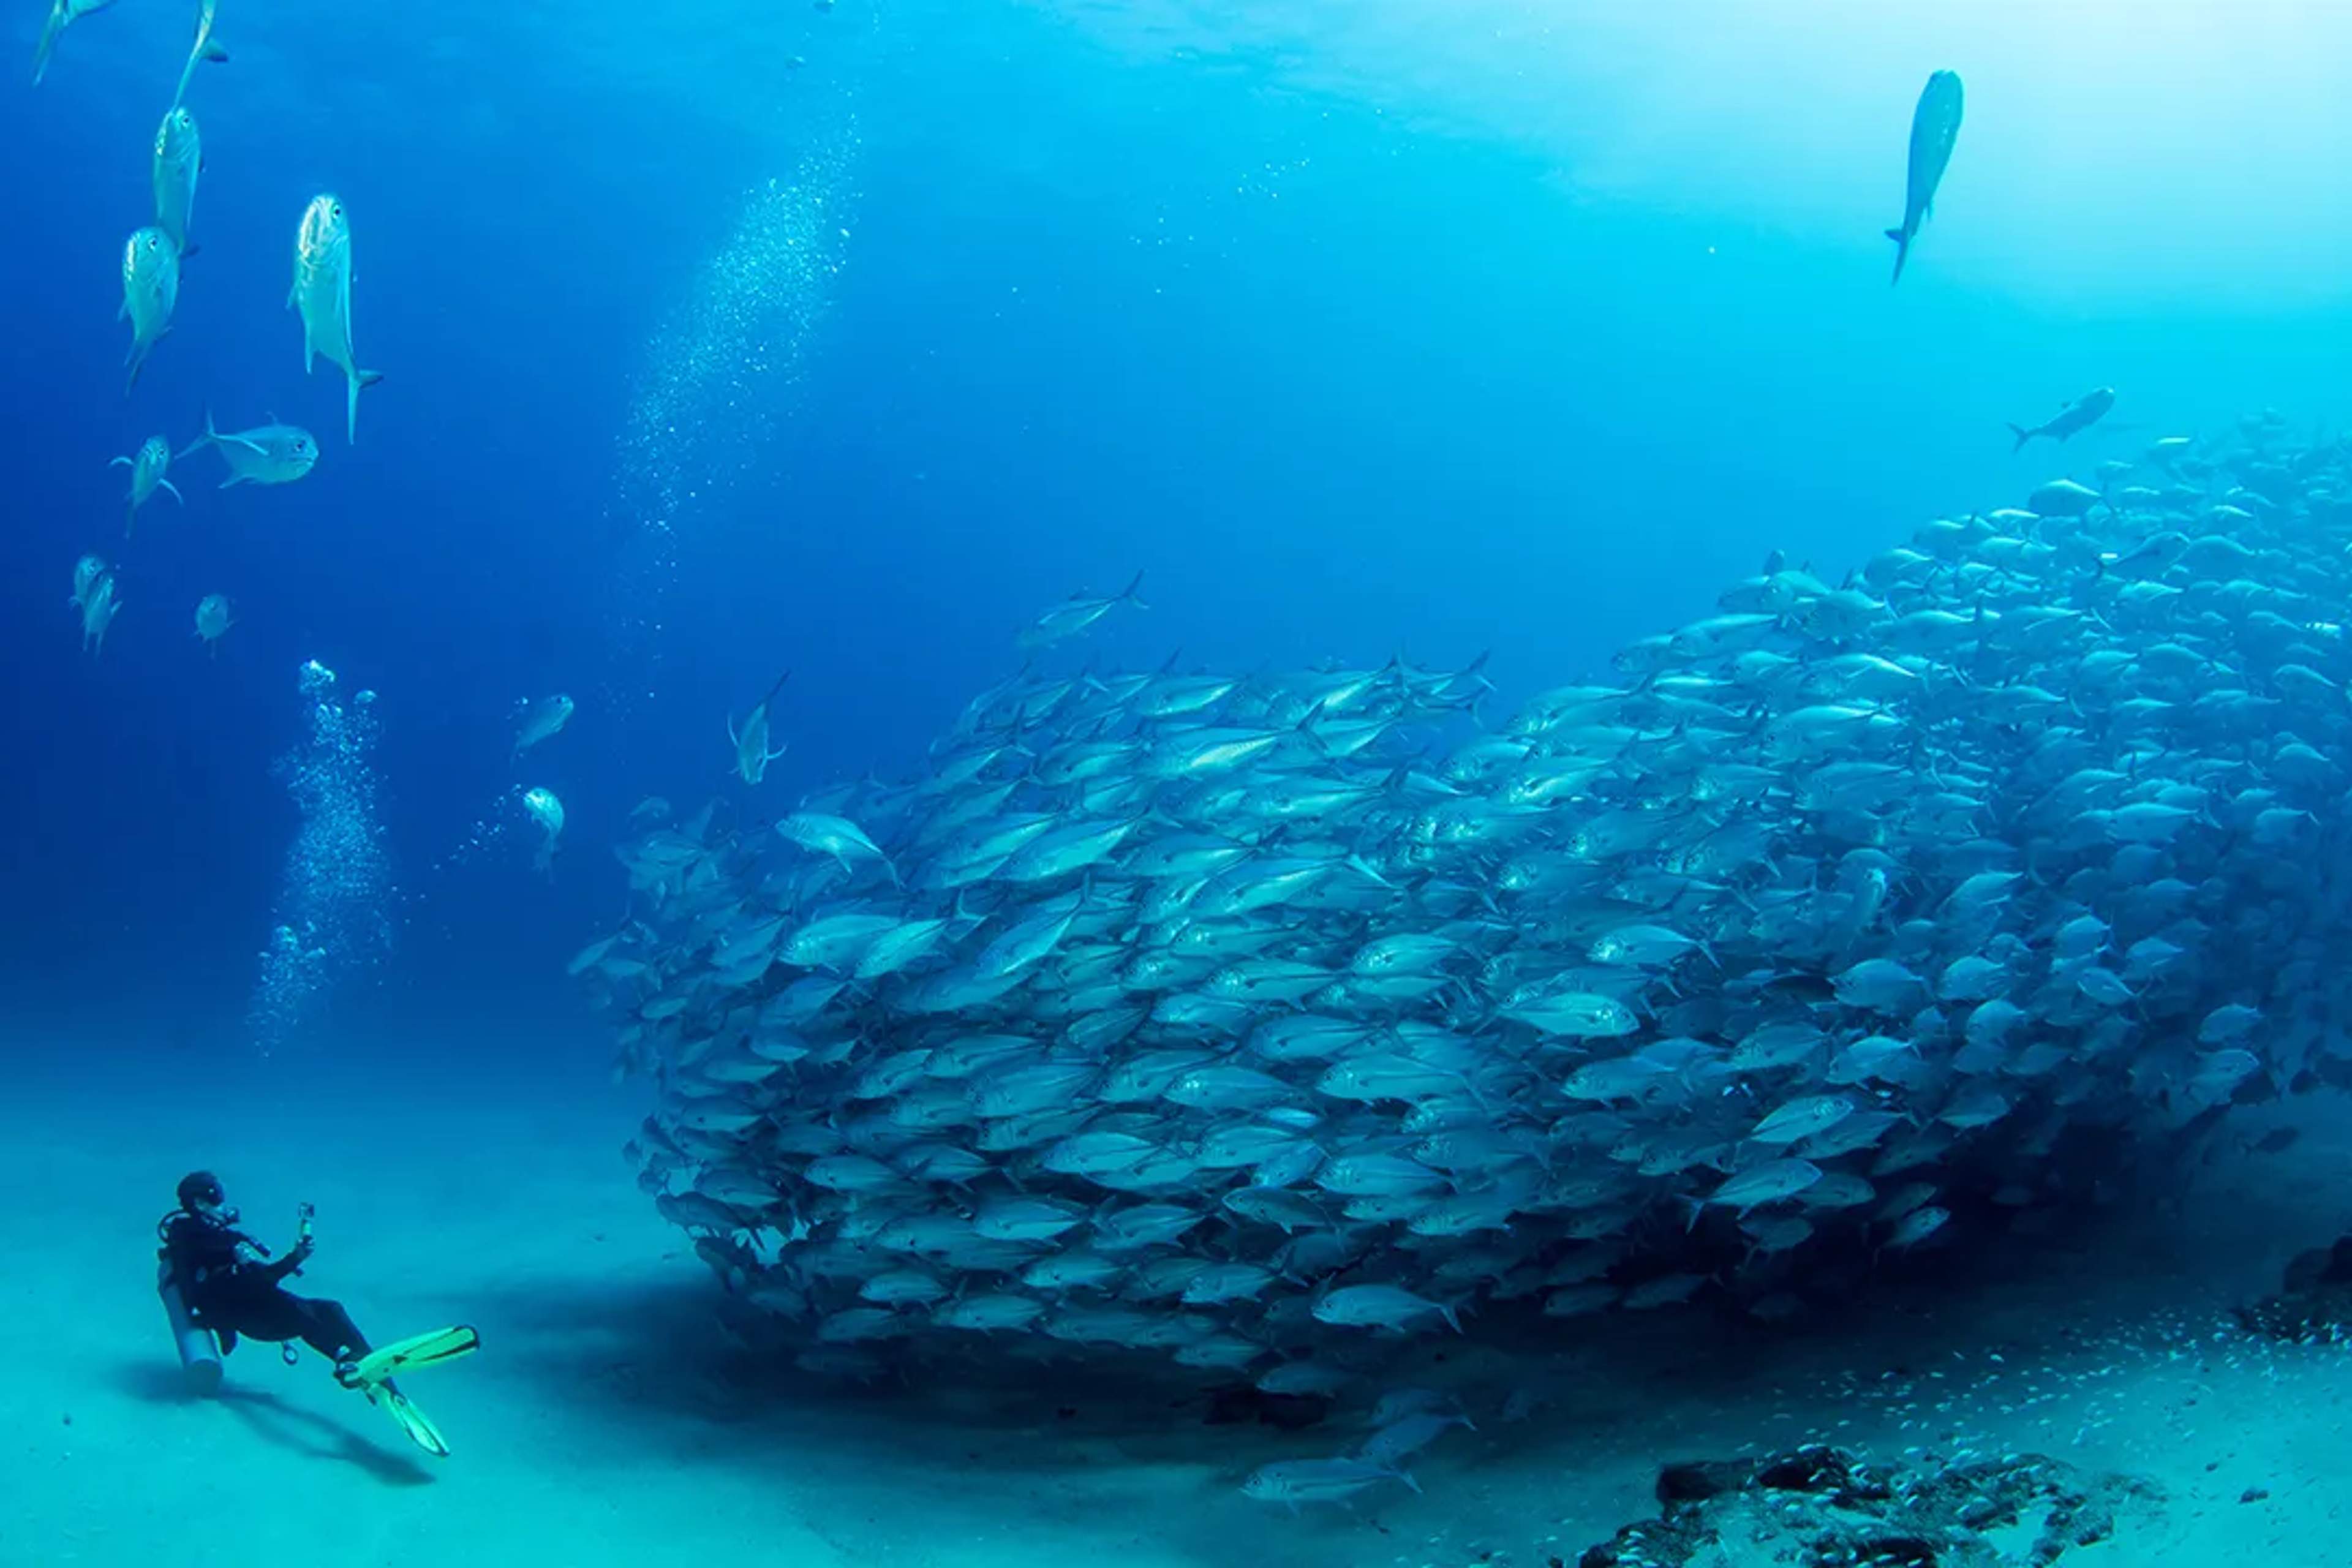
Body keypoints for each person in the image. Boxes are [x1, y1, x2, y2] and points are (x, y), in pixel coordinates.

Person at [156, 1170, 380, 1387]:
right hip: (254, 1319)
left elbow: (257, 1280)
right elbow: (260, 1282)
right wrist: (295, 1258)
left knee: (331, 1309)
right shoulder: (208, 1246)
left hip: (256, 1307)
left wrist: (291, 1258)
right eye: (217, 1199)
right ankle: (347, 1364)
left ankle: (369, 1363)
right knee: (308, 1318)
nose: (223, 1207)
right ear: (200, 1204)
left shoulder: (209, 1239)